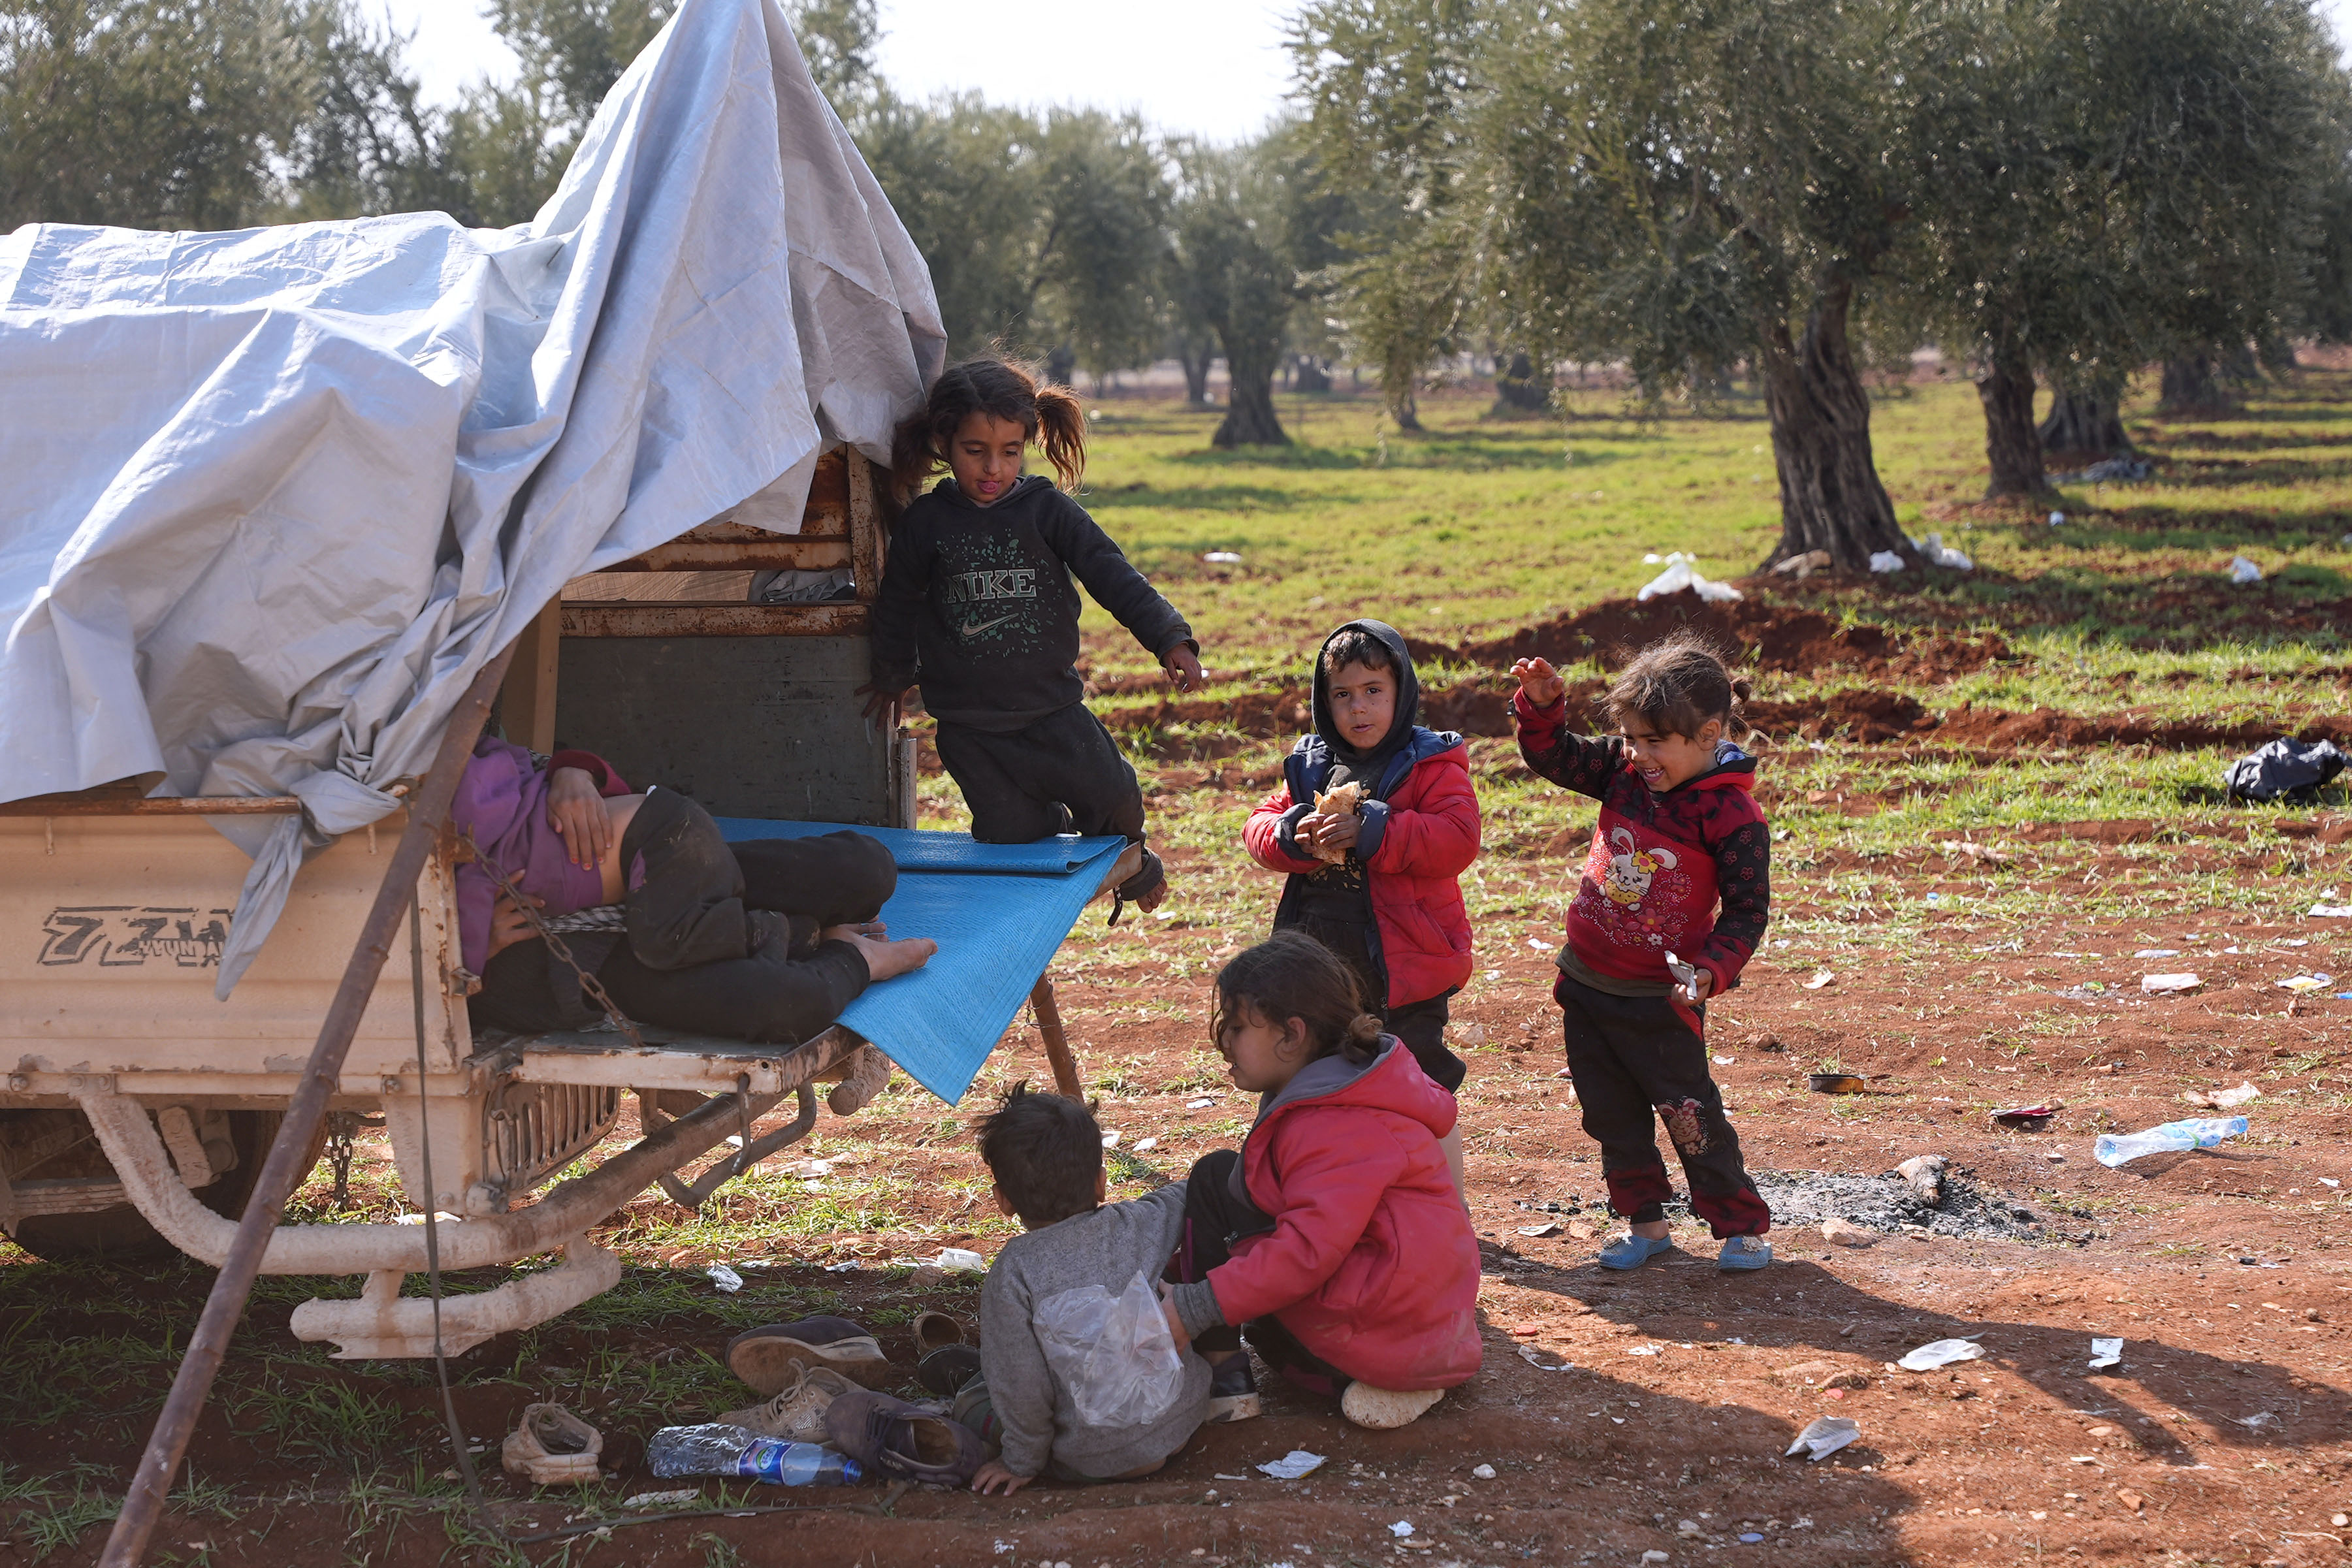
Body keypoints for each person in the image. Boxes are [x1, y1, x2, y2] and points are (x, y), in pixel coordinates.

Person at [865, 359, 1204, 916]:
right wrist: (892, 676)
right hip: (970, 729)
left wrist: (1169, 636)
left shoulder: (1047, 510)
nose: (993, 467)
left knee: (1116, 800)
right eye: (975, 450)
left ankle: (1137, 867)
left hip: (1053, 712)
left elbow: (1111, 572)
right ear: (943, 442)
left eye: (1010, 450)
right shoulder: (926, 523)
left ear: (1027, 443)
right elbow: (898, 602)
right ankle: (1047, 865)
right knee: (1011, 838)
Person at [1509, 632, 1774, 1272]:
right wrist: (1541, 708)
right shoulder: (1622, 773)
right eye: (1631, 737)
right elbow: (1555, 757)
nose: (1638, 753)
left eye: (1654, 741)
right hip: (1587, 985)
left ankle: (1740, 1227)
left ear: (1708, 732)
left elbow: (1746, 911)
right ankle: (1645, 1223)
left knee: (1689, 1117)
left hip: (1662, 999)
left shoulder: (1732, 817)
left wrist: (1710, 970)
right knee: (1611, 1117)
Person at [451, 736, 933, 1074]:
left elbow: (509, 761)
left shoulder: (410, 754)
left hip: (648, 875)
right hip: (581, 960)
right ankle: (854, 957)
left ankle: (789, 932)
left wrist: (573, 772)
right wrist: (457, 951)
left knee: (864, 868)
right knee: (792, 1002)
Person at [1159, 935, 1481, 1432]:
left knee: (1213, 1182)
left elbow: (1308, 1250)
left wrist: (1195, 1305)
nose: (1223, 1039)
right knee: (1228, 1189)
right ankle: (1390, 1375)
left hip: (1383, 1328)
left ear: (1292, 1035)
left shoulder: (1335, 1122)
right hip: (1417, 1320)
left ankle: (1225, 1377)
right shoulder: (1350, 1085)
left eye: (1238, 1025)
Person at [1241, 620, 1479, 1189]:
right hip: (1319, 961)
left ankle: (1442, 1199)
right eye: (1342, 695)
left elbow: (1455, 838)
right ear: (1324, 703)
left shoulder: (1429, 763)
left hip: (1403, 967)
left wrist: (1371, 828)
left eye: (1373, 690)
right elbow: (1257, 825)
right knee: (1299, 1070)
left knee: (1416, 1084)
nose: (1358, 708)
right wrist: (1294, 831)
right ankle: (1290, 1192)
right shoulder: (1310, 764)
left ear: (1402, 692)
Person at [955, 1085, 1246, 1496]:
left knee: (976, 1396)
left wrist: (1020, 1462)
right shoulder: (1137, 1223)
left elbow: (1022, 1389)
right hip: (1180, 1424)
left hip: (1091, 1461)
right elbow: (1194, 1191)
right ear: (1101, 1183)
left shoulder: (1012, 1273)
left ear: (1002, 1200)